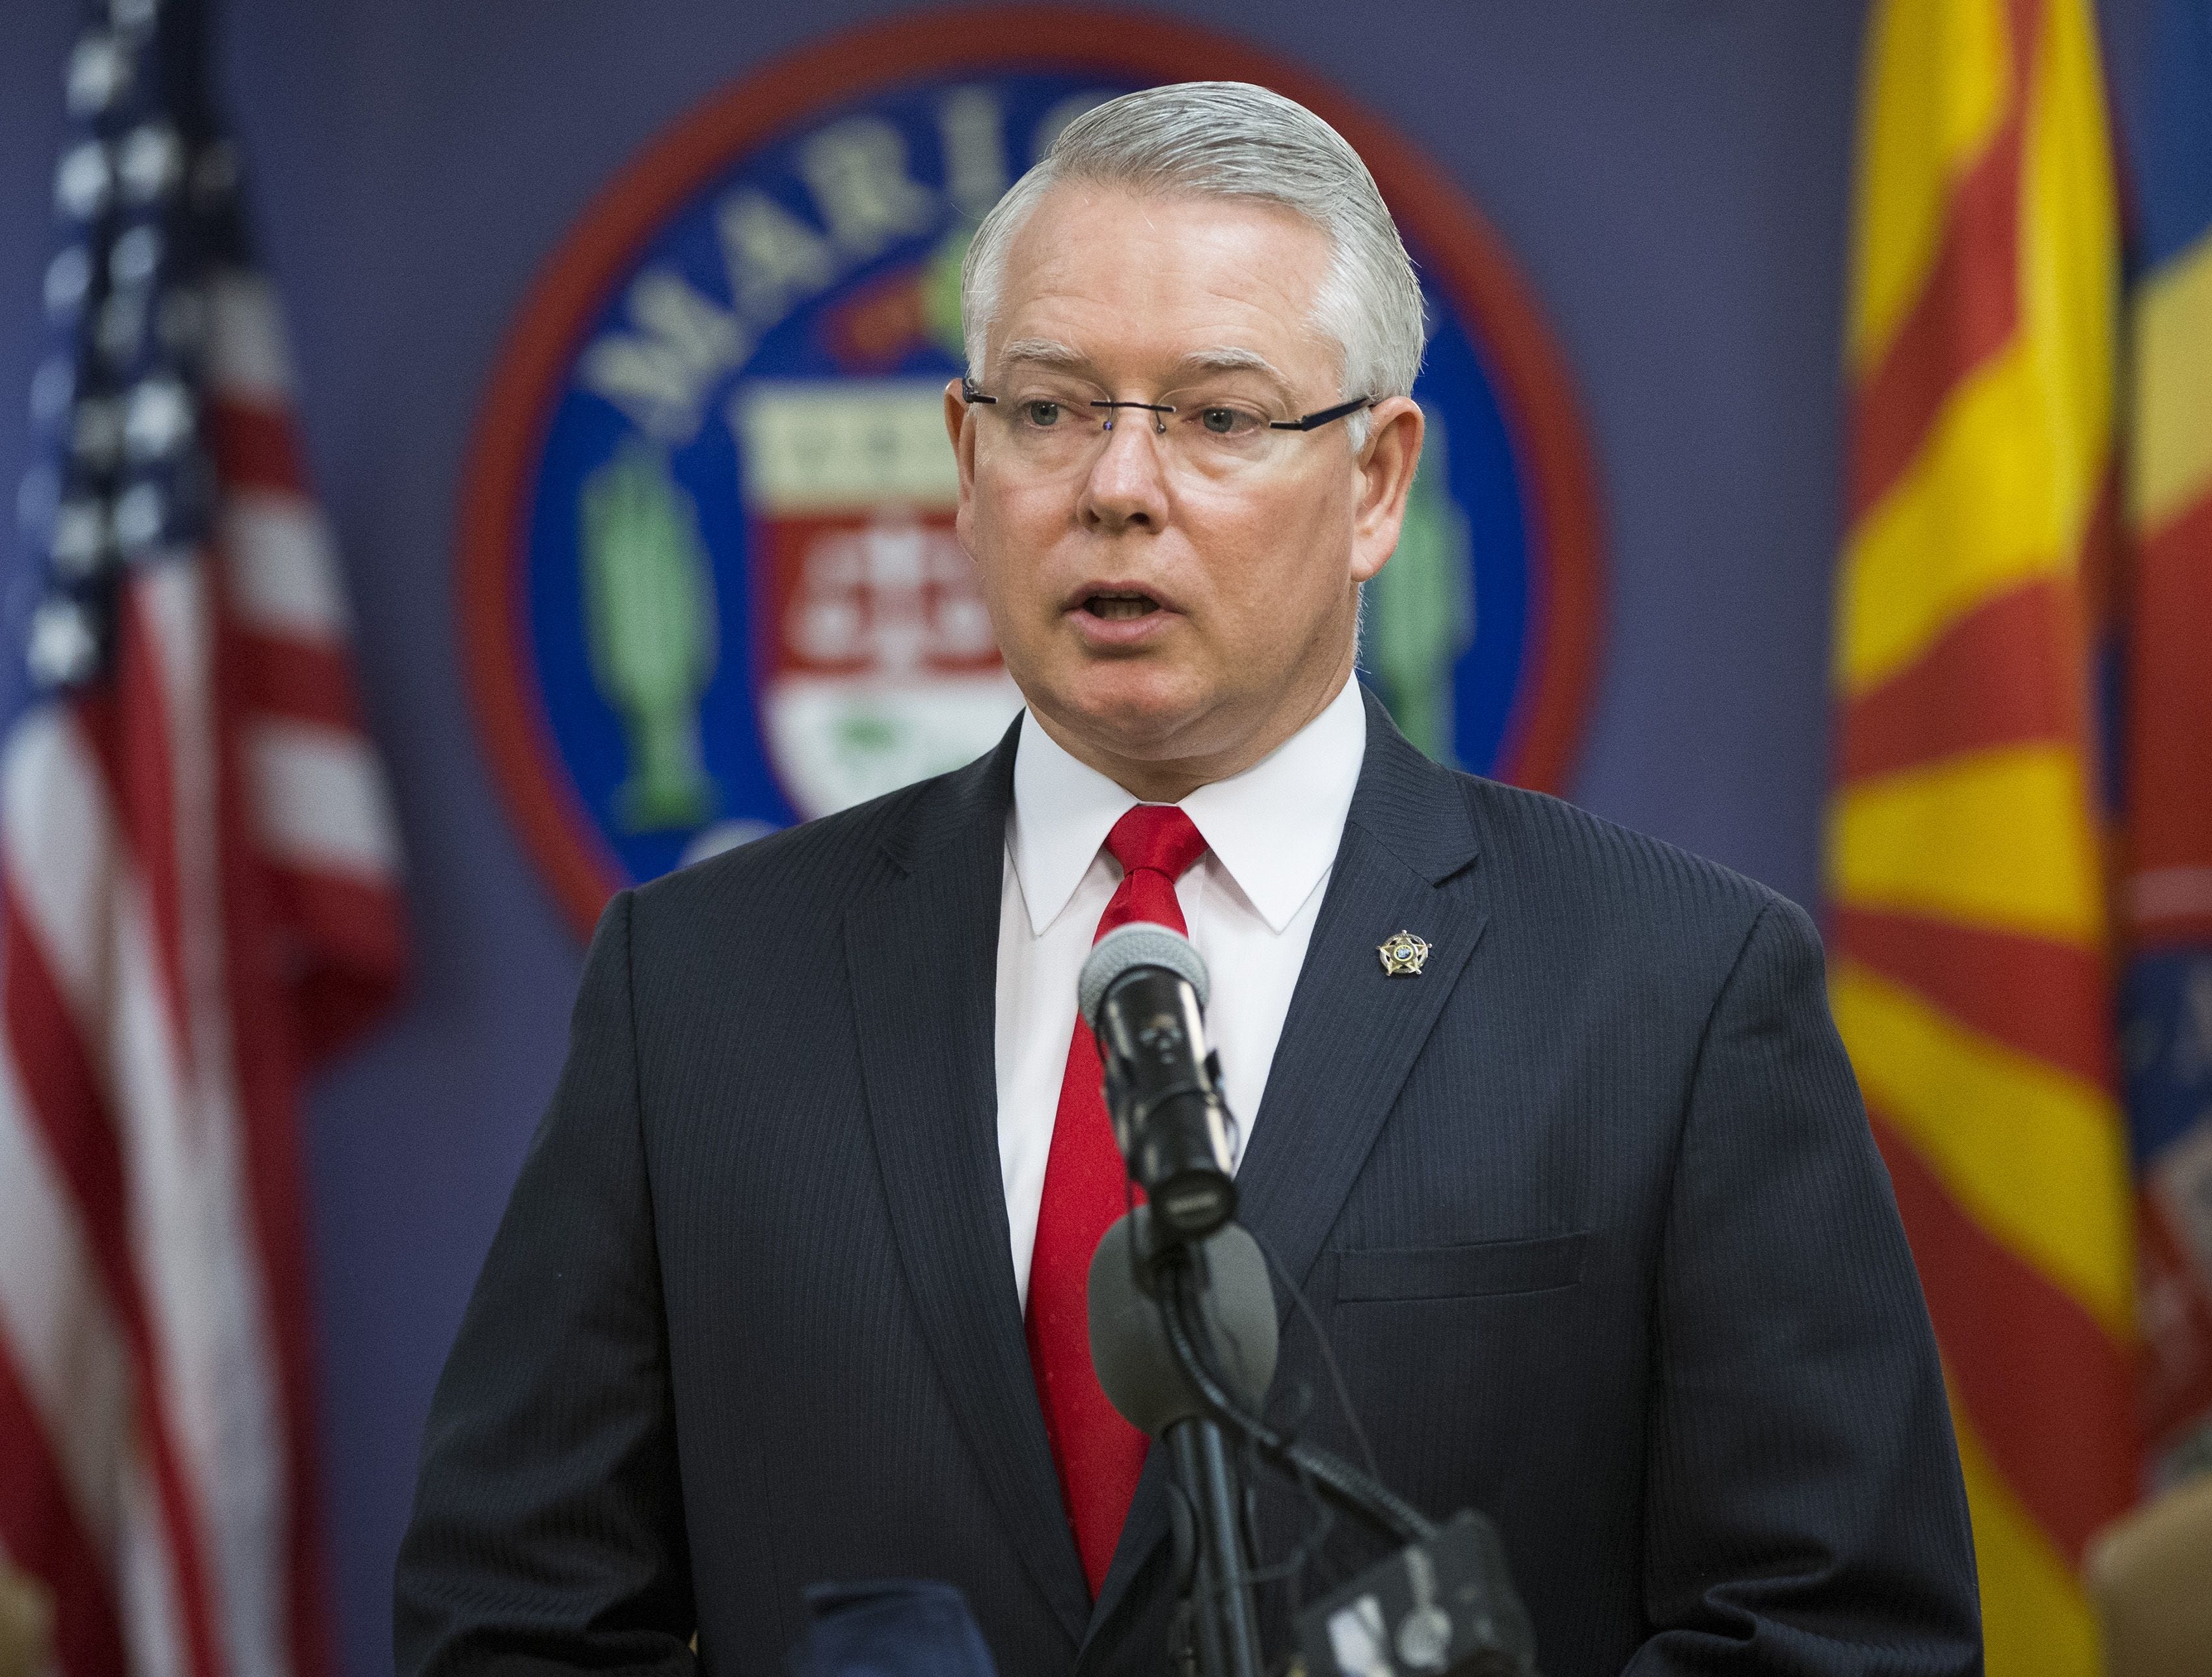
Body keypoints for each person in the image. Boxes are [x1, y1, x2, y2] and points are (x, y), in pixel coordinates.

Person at [395, 82, 1980, 1677]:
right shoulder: (700, 987)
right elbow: (510, 1618)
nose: (1116, 485)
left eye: (1216, 418)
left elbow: (1832, 1633)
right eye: (1051, 408)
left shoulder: (1673, 991)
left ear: (1373, 484)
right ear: (964, 455)